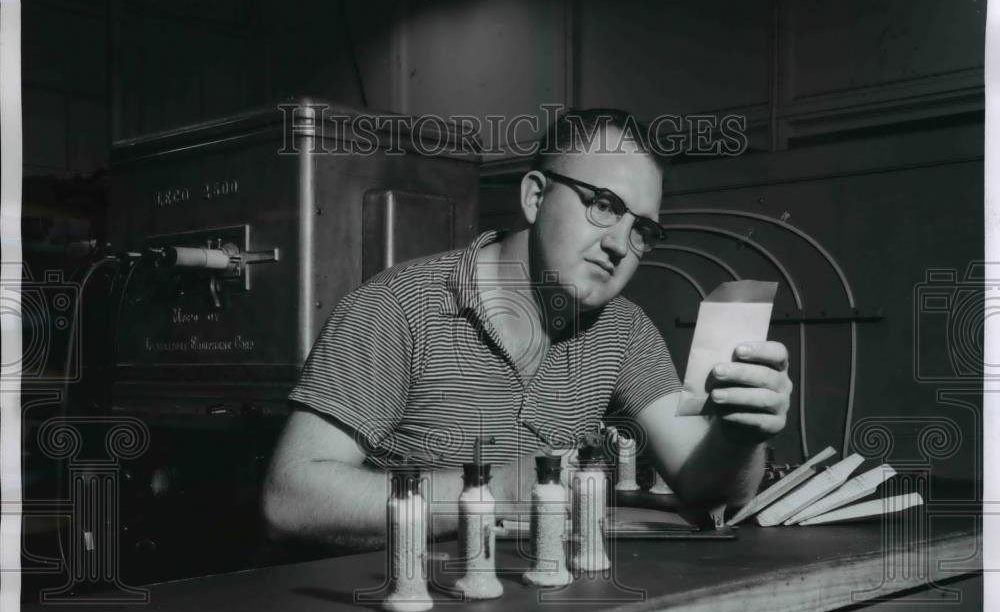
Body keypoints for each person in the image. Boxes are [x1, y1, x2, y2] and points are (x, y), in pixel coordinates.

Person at [263, 109, 792, 550]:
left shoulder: (623, 330)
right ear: (535, 197)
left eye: (642, 230)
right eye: (604, 206)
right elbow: (292, 496)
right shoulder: (398, 308)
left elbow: (707, 487)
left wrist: (740, 436)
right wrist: (491, 490)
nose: (618, 245)